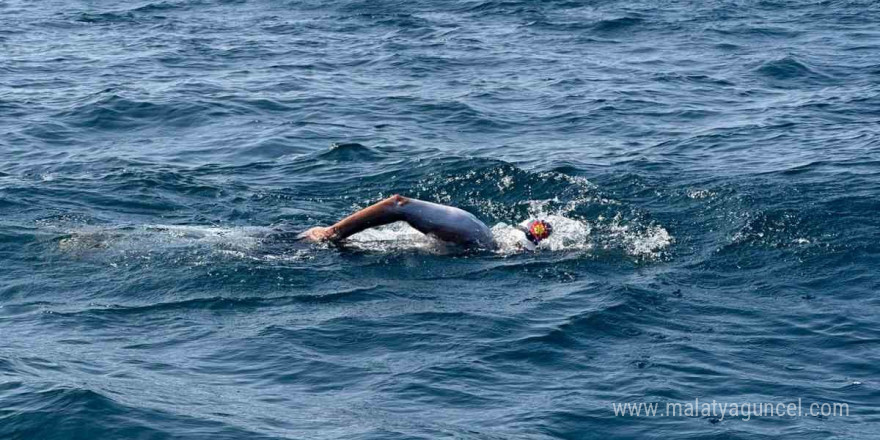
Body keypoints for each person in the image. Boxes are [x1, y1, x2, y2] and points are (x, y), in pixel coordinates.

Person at [301, 194, 552, 251]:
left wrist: (332, 234)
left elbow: (397, 205)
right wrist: (332, 234)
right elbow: (397, 205)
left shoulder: (474, 237)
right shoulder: (475, 235)